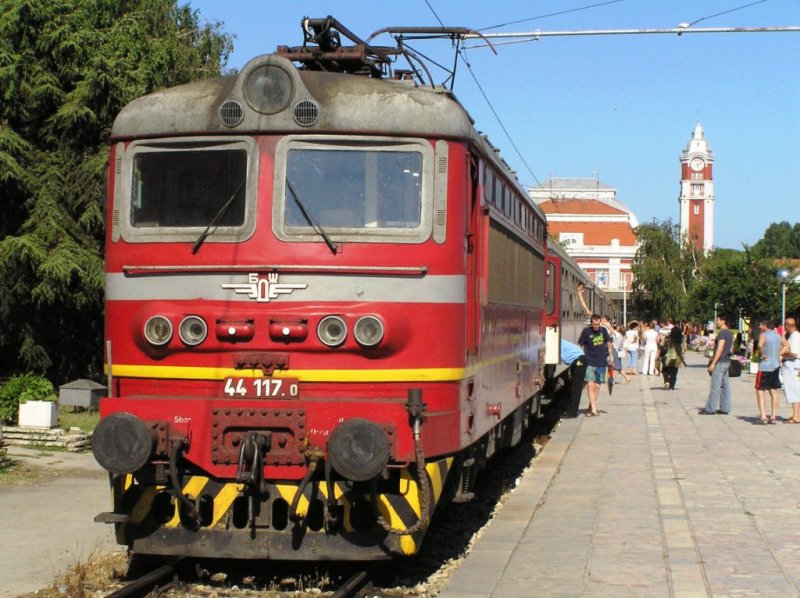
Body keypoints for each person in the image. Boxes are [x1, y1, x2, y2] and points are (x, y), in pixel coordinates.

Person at [577, 314, 614, 417]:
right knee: (590, 384)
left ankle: (590, 407)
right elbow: (580, 343)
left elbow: (609, 342)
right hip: (589, 361)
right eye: (594, 324)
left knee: (597, 386)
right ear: (591, 323)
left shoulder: (603, 331)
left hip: (601, 362)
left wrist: (611, 355)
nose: (596, 326)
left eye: (598, 324)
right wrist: (580, 356)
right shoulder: (586, 331)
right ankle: (594, 409)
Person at [699, 315, 734, 415]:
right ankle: (725, 407)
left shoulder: (722, 333)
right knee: (725, 385)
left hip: (721, 361)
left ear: (723, 321)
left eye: (717, 320)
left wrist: (713, 363)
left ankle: (710, 408)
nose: (716, 322)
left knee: (715, 385)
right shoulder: (729, 333)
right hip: (727, 361)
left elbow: (720, 348)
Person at [755, 319, 782, 424]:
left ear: (765, 326)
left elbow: (760, 345)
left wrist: (762, 354)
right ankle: (773, 416)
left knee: (760, 390)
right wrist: (779, 354)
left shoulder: (763, 335)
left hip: (764, 367)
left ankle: (763, 416)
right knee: (774, 391)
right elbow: (786, 345)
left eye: (760, 324)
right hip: (775, 366)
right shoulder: (777, 335)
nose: (759, 326)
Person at [559, 339, 587, 418]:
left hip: (579, 360)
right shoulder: (559, 341)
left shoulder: (557, 342)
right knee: (574, 386)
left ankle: (572, 413)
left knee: (576, 387)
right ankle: (571, 410)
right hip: (577, 360)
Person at [780, 317, 800, 423]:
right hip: (791, 366)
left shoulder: (796, 337)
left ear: (787, 326)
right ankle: (796, 415)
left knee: (794, 390)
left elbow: (794, 354)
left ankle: (796, 416)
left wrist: (782, 354)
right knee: (793, 390)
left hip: (793, 366)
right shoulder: (792, 336)